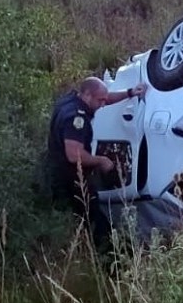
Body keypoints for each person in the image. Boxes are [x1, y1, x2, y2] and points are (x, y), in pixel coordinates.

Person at [46, 76, 147, 252]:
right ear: (86, 95)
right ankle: (108, 256)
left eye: (104, 100)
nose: (103, 104)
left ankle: (84, 248)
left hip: (57, 171)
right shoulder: (76, 118)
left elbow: (104, 98)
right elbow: (73, 155)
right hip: (70, 179)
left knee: (74, 217)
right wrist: (101, 160)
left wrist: (130, 93)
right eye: (100, 100)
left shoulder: (71, 100)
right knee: (93, 220)